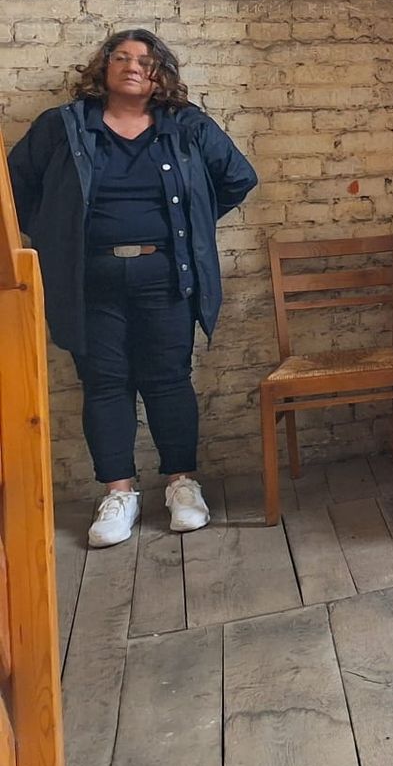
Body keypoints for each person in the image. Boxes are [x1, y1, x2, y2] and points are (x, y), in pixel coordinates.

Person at [6, 30, 256, 547]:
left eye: (145, 59)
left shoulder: (186, 126)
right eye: (120, 57)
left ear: (161, 73)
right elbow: (15, 189)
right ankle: (118, 493)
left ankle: (182, 485)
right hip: (87, 278)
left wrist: (194, 219)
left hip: (164, 276)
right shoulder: (64, 126)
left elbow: (238, 177)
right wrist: (56, 231)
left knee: (168, 378)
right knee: (104, 383)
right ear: (103, 67)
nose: (132, 66)